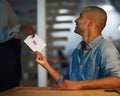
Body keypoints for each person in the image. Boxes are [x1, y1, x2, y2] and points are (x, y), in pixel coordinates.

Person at [34, 6, 120, 90]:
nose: (76, 20)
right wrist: (45, 64)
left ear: (90, 23)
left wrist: (80, 85)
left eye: (81, 16)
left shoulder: (106, 48)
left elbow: (117, 80)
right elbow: (66, 82)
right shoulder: (77, 51)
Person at [0, 0, 35, 92]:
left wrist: (19, 28)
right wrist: (19, 27)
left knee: (9, 85)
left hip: (7, 46)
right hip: (7, 46)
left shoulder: (2, 3)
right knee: (8, 86)